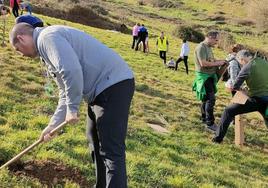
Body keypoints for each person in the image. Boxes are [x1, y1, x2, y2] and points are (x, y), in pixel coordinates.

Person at [10, 23, 135, 188]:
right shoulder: (45, 50)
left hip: (114, 84)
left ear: (21, 38)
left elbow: (72, 71)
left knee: (111, 149)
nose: (21, 55)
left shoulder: (47, 38)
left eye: (18, 50)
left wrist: (73, 108)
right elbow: (64, 91)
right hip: (100, 90)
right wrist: (52, 125)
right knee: (94, 140)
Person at [213, 50, 268, 143]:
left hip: (256, 100)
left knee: (228, 111)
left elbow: (235, 86)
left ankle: (217, 139)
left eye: (240, 63)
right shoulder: (264, 62)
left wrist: (244, 89)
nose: (241, 64)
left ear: (242, 59)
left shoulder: (247, 67)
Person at [192, 31, 226, 131]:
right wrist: (217, 64)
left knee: (205, 99)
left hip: (210, 76)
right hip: (204, 77)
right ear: (210, 37)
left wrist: (221, 61)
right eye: (216, 40)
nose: (217, 42)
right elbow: (203, 63)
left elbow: (211, 60)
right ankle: (210, 123)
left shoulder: (209, 48)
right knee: (211, 100)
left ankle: (204, 118)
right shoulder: (201, 47)